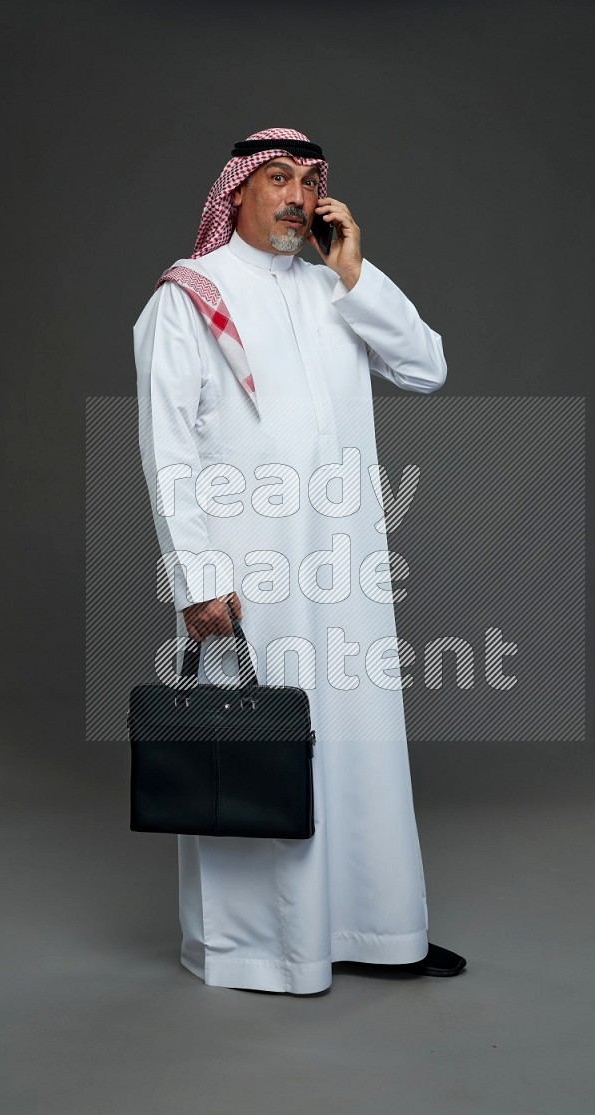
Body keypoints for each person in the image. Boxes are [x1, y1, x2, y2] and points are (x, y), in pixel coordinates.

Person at [133, 126, 465, 994]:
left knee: (357, 742)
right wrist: (197, 578)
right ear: (236, 191)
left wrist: (355, 270)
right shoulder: (190, 295)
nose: (297, 195)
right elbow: (169, 450)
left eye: (311, 181)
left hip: (345, 566)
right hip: (253, 573)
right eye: (278, 177)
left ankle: (376, 929)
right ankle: (263, 949)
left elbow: (426, 368)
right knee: (260, 744)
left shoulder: (335, 291)